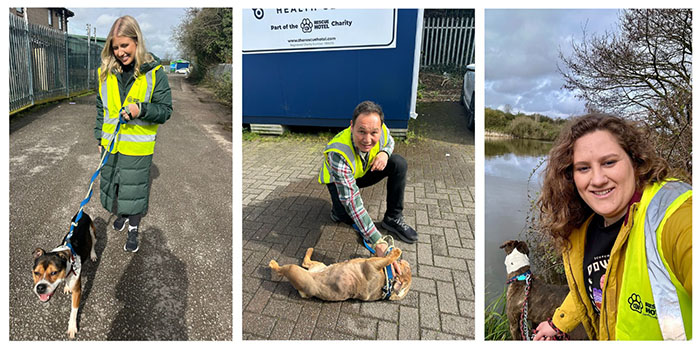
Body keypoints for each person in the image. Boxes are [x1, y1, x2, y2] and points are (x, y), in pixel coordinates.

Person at [533, 114, 691, 340]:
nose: (597, 179)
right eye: (584, 168)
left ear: (635, 161)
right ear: (571, 177)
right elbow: (592, 288)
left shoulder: (673, 215)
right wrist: (558, 324)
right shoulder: (583, 227)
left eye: (609, 162)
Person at [94, 15, 172, 253]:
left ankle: (134, 228)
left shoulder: (154, 72)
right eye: (115, 47)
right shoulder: (105, 72)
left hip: (138, 147)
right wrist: (100, 137)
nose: (120, 52)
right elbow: (101, 108)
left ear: (137, 41)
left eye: (124, 45)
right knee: (116, 187)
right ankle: (122, 214)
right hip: (112, 144)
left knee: (135, 190)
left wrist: (142, 109)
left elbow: (165, 110)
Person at [318, 101, 418, 261]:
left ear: (380, 127)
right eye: (361, 132)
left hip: (361, 173)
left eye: (373, 133)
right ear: (352, 126)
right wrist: (377, 241)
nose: (367, 139)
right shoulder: (338, 152)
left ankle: (393, 218)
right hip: (339, 182)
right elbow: (351, 200)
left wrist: (385, 153)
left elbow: (389, 141)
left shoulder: (382, 130)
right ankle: (337, 212)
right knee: (346, 216)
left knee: (398, 163)